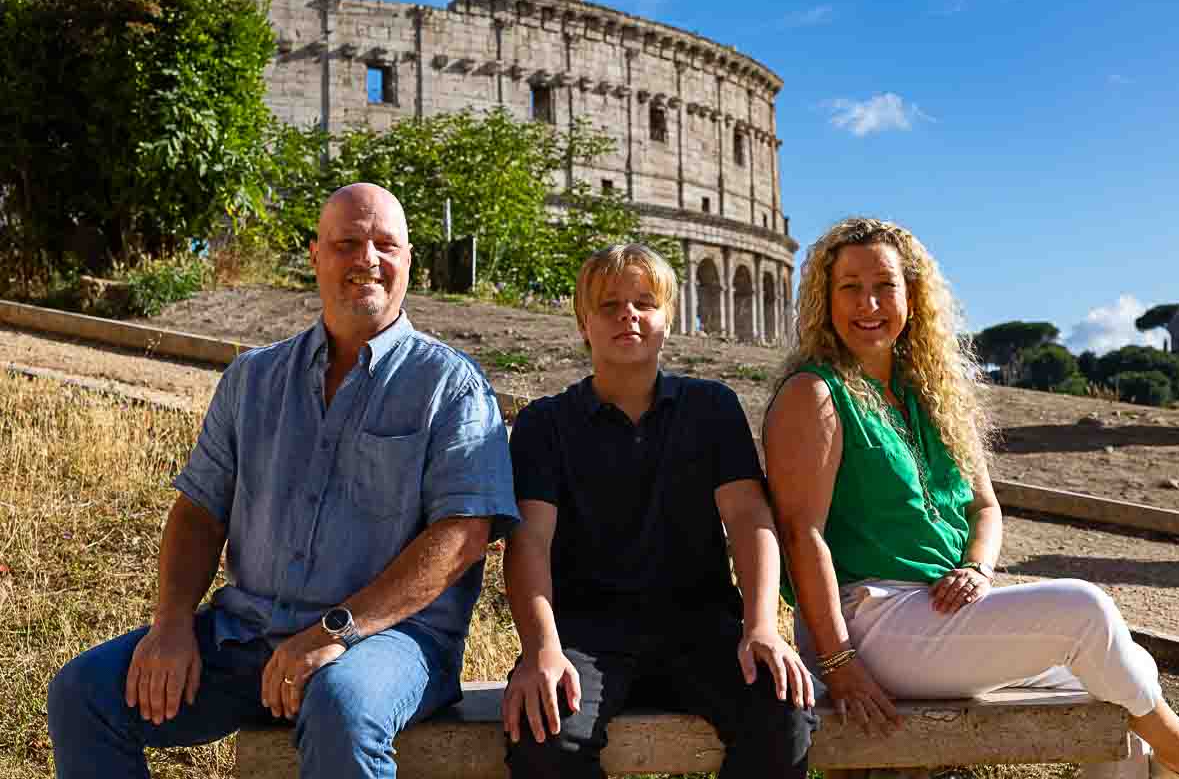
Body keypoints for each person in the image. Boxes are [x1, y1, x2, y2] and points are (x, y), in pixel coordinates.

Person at [47, 183, 520, 779]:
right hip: (247, 637)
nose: (366, 259)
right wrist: (170, 625)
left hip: (390, 642)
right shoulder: (254, 377)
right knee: (84, 694)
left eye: (384, 244)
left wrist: (334, 632)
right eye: (346, 243)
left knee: (342, 705)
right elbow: (199, 510)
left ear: (409, 262)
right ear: (316, 256)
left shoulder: (450, 387)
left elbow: (462, 537)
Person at [764, 217, 1179, 779]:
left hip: (941, 616)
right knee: (1085, 611)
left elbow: (985, 508)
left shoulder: (931, 393)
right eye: (849, 286)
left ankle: (1170, 758)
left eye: (885, 285)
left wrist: (977, 567)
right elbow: (804, 536)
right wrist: (841, 664)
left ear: (912, 297)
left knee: (1124, 672)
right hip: (867, 622)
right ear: (825, 300)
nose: (867, 302)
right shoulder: (814, 393)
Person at [501, 243, 818, 779]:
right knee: (543, 738)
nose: (628, 314)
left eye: (645, 302)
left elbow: (747, 518)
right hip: (585, 633)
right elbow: (529, 541)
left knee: (784, 716)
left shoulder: (710, 406)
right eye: (609, 305)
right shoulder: (543, 424)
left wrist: (762, 625)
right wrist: (539, 649)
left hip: (701, 625)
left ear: (668, 317)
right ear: (584, 323)